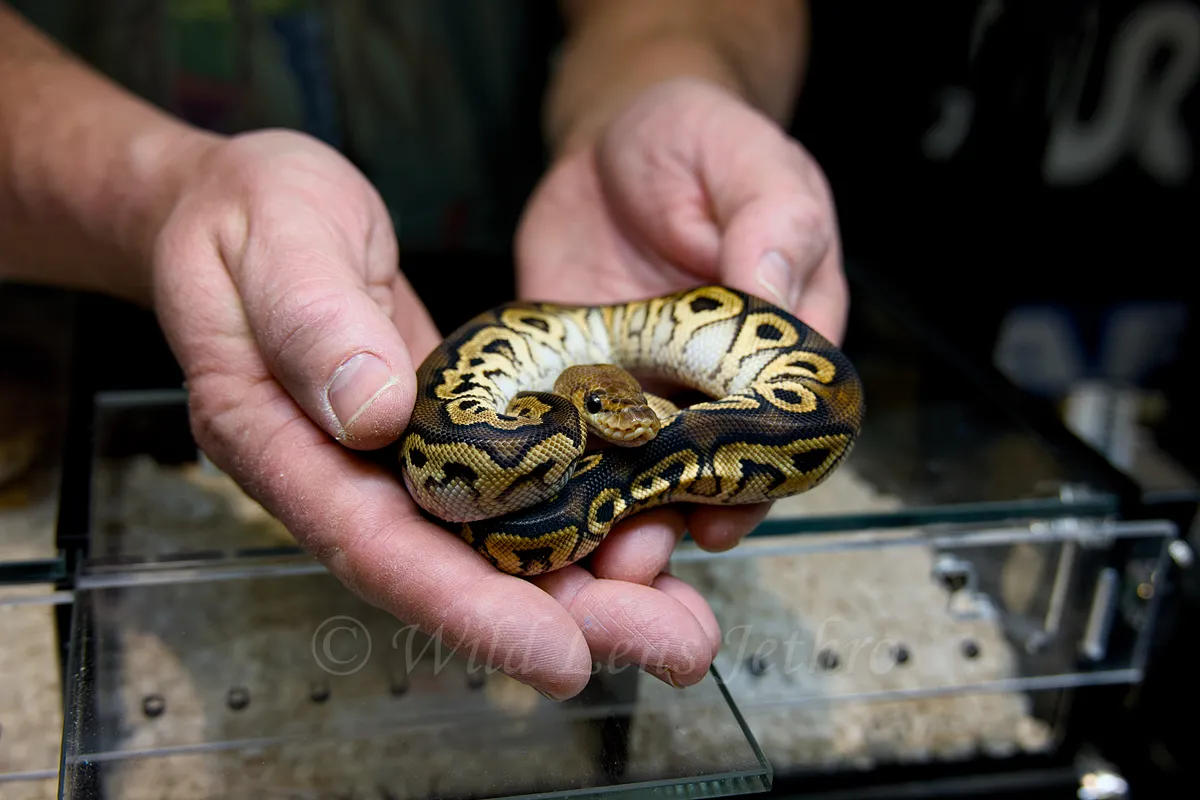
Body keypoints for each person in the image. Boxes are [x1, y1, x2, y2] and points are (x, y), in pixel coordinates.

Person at [0, 1, 845, 700]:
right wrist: (162, 191)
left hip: (518, 249)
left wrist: (669, 77)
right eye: (604, 409)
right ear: (567, 401)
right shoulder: (543, 416)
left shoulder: (595, 403)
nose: (629, 426)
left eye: (635, 412)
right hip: (66, 315)